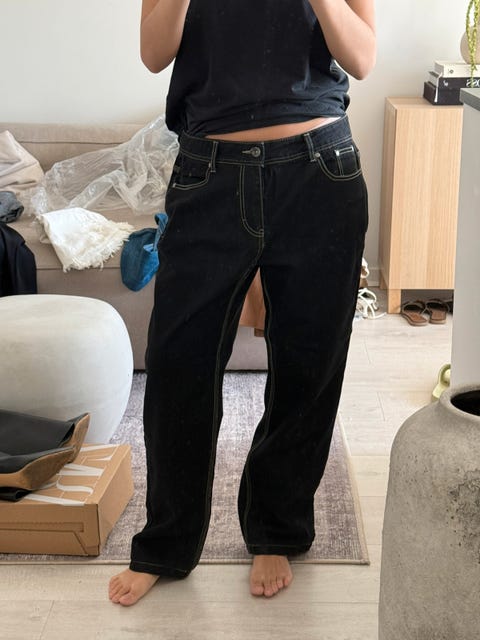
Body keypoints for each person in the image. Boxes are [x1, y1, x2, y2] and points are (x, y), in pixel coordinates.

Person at [109, 0, 376, 606]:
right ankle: (166, 543)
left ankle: (276, 529)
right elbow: (154, 54)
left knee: (308, 367)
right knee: (177, 367)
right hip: (209, 174)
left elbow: (361, 58)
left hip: (320, 171)